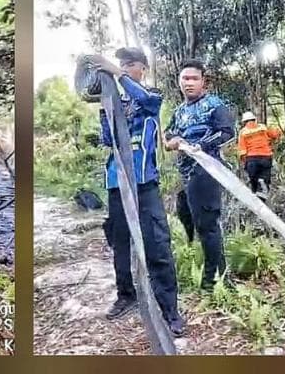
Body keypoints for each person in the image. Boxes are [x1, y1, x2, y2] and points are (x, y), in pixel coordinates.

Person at [89, 48, 185, 338]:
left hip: (144, 183)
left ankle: (169, 310)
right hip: (117, 183)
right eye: (121, 65)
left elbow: (145, 100)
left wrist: (116, 74)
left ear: (142, 68)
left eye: (130, 65)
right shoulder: (112, 101)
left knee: (158, 244)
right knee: (120, 243)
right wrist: (107, 111)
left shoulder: (151, 97)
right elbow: (108, 139)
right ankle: (126, 295)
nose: (124, 68)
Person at [164, 59, 235, 292]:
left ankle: (211, 280)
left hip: (207, 170)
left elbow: (227, 132)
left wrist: (198, 146)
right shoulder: (179, 111)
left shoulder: (214, 104)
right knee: (190, 217)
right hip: (186, 173)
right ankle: (219, 271)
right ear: (179, 81)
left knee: (208, 225)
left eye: (194, 78)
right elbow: (169, 135)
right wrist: (172, 141)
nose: (189, 83)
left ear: (203, 81)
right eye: (185, 78)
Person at [236, 111, 282, 198]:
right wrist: (278, 133)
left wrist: (244, 162)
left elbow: (242, 150)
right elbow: (275, 134)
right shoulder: (263, 127)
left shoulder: (243, 132)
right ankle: (263, 196)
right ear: (254, 119)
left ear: (244, 122)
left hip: (252, 159)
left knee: (254, 181)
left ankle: (256, 197)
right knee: (265, 179)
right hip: (266, 157)